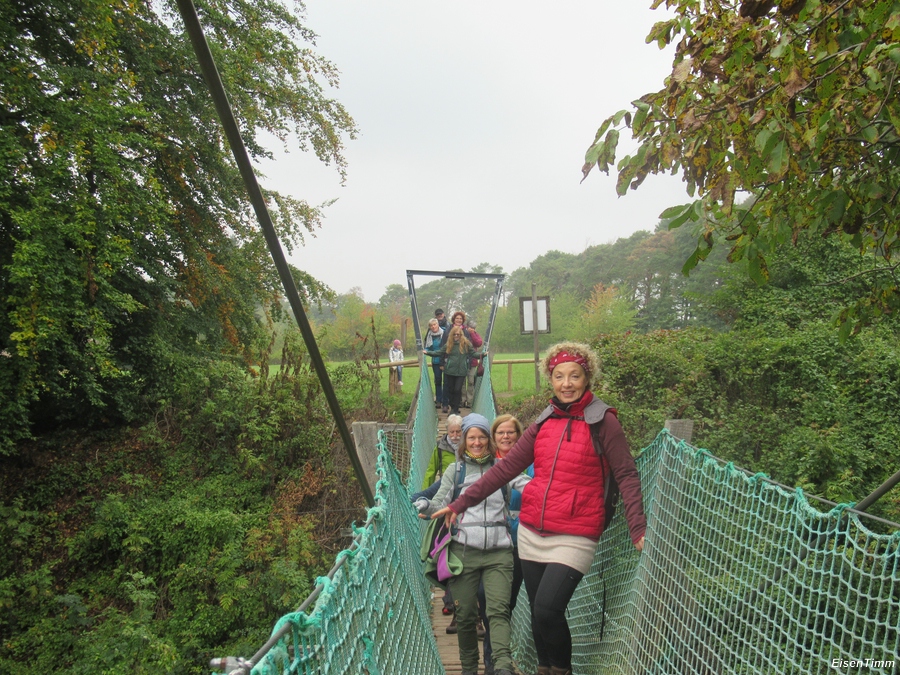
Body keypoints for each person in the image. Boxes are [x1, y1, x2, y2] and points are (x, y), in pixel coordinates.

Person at [433, 342, 647, 675]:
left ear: (587, 377)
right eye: (559, 376)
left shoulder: (604, 422)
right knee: (537, 612)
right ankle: (543, 669)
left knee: (548, 609)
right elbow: (504, 469)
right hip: (533, 530)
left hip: (577, 532)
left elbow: (626, 474)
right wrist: (461, 502)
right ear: (551, 379)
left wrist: (638, 527)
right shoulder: (544, 422)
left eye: (574, 375)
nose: (566, 383)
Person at [415, 413, 529, 675]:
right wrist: (425, 503)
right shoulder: (456, 471)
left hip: (499, 552)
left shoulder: (502, 467)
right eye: (471, 438)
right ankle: (469, 669)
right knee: (465, 615)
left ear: (488, 441)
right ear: (463, 441)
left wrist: (554, 489)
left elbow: (526, 485)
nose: (477, 443)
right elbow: (442, 501)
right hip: (463, 552)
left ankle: (502, 667)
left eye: (481, 437)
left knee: (498, 611)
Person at [478, 414, 526, 675]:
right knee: (487, 599)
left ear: (519, 436)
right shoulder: (482, 464)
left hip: (518, 544)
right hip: (487, 544)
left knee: (505, 605)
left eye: (511, 433)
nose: (506, 437)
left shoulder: (530, 464)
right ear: (493, 438)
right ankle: (494, 659)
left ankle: (496, 662)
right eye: (501, 433)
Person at [427, 325, 479, 415]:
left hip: (461, 371)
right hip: (450, 371)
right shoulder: (449, 344)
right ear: (451, 335)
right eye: (454, 334)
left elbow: (473, 353)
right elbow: (439, 352)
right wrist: (428, 353)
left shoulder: (466, 344)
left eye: (458, 334)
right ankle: (453, 407)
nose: (456, 336)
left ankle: (455, 408)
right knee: (450, 390)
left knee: (457, 389)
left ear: (461, 335)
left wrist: (483, 355)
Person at [424, 318, 444, 408]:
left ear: (437, 325)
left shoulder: (444, 333)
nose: (433, 327)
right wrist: (425, 350)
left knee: (447, 381)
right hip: (436, 361)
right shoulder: (429, 335)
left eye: (434, 324)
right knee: (438, 380)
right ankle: (439, 400)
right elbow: (428, 347)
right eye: (431, 325)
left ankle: (446, 400)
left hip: (445, 360)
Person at [463, 318, 483, 408]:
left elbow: (478, 343)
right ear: (467, 326)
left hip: (473, 361)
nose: (472, 329)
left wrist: (472, 334)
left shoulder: (475, 334)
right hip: (463, 361)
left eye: (474, 328)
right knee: (462, 382)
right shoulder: (462, 333)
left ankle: (470, 401)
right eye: (471, 327)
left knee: (471, 382)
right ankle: (462, 400)